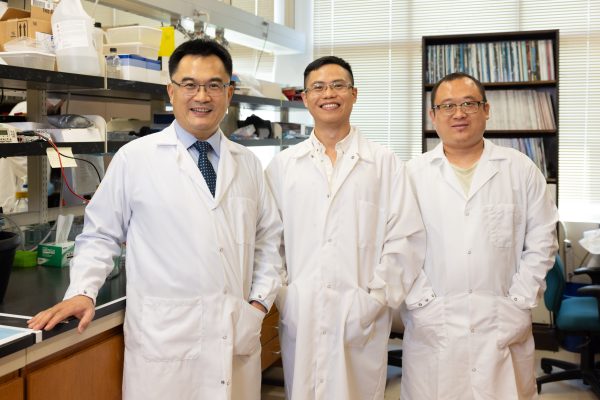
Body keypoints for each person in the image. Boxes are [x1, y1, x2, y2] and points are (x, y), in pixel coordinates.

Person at [27, 39, 283, 400]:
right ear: (171, 92)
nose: (202, 96)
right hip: (164, 343)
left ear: (229, 93)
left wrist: (257, 304)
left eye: (214, 85)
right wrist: (83, 291)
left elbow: (270, 241)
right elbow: (100, 234)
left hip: (233, 335)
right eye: (190, 85)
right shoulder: (136, 158)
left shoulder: (249, 164)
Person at [265, 56, 426, 400]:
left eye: (338, 85)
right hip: (302, 312)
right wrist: (284, 295)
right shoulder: (283, 167)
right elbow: (268, 242)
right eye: (318, 87)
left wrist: (375, 300)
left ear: (354, 94)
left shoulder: (384, 163)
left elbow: (405, 238)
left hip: (362, 315)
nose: (329, 94)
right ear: (305, 98)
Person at [401, 72, 558, 399]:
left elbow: (542, 241)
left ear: (486, 110)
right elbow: (398, 246)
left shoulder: (519, 168)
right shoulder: (411, 175)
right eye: (447, 106)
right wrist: (421, 303)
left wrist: (520, 300)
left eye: (469, 104)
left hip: (502, 319)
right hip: (434, 320)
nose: (459, 114)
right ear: (433, 116)